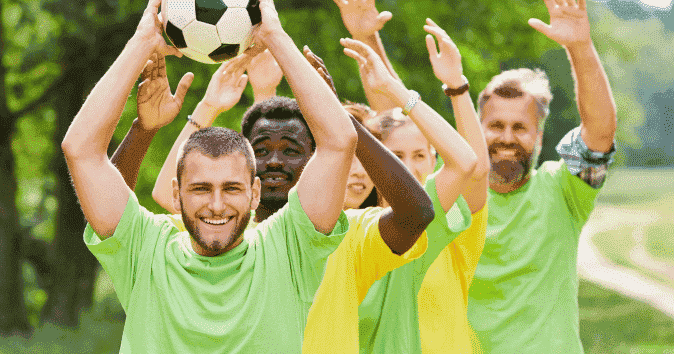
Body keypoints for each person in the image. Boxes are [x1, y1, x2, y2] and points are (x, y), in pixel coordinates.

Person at [61, 0, 362, 351]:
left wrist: (275, 36)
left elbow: (340, 141)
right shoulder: (145, 249)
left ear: (254, 193)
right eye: (201, 188)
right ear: (177, 194)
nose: (216, 205)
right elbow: (80, 149)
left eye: (231, 188)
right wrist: (142, 41)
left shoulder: (289, 249)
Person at [466, 0, 617, 352]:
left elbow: (599, 135)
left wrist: (580, 46)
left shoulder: (563, 190)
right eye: (495, 126)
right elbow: (396, 138)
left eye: (520, 127)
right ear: (477, 129)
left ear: (539, 136)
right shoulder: (452, 193)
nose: (506, 137)